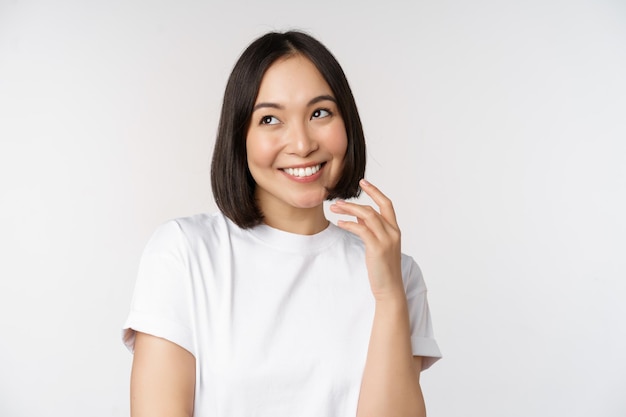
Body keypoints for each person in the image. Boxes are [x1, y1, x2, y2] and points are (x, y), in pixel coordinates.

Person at [122, 30, 441, 417]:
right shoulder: (185, 254)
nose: (302, 143)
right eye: (270, 119)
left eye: (320, 112)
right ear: (240, 135)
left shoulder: (399, 274)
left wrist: (389, 296)